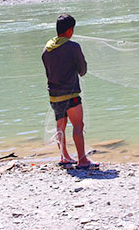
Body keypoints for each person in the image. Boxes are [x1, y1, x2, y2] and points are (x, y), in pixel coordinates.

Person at [42, 14, 97, 170]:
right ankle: (82, 160)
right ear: (70, 30)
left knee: (60, 127)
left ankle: (64, 157)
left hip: (54, 96)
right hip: (71, 94)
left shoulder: (46, 48)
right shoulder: (73, 47)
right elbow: (82, 69)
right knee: (78, 126)